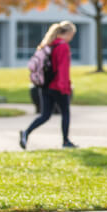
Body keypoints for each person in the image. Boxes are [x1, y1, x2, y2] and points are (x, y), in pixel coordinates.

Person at [19, 21, 77, 150]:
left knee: (45, 115)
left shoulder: (49, 45)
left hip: (45, 86)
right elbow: (63, 69)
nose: (72, 37)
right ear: (67, 33)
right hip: (58, 86)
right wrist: (65, 87)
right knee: (65, 113)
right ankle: (66, 141)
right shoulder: (63, 46)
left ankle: (26, 132)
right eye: (72, 34)